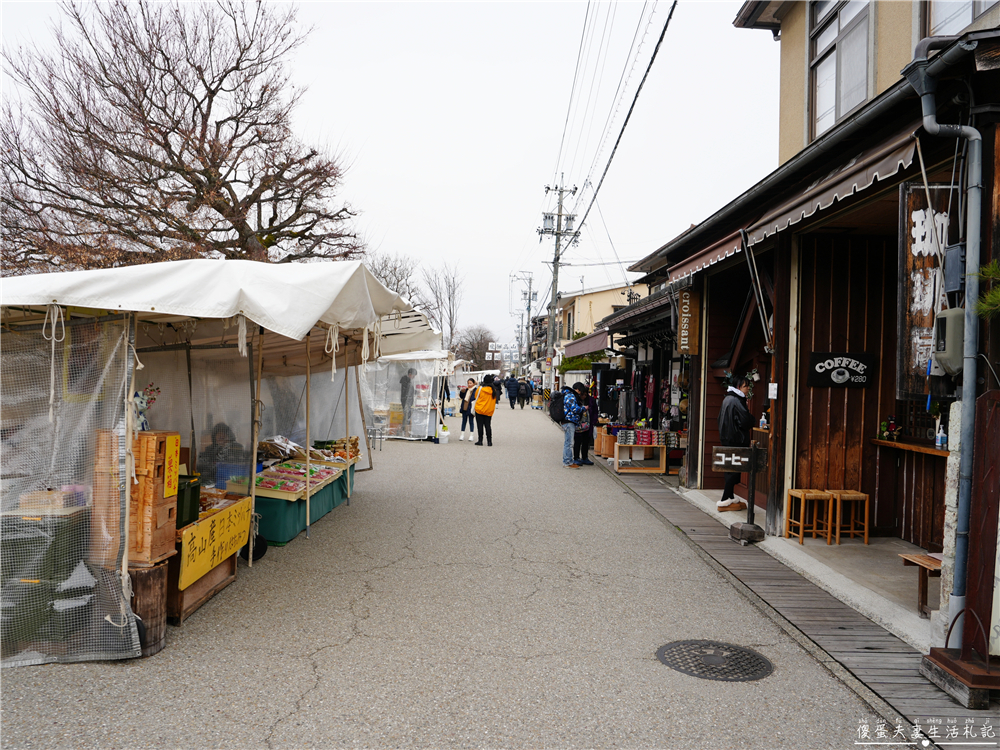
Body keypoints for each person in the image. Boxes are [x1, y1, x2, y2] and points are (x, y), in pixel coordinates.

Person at [717, 376, 752, 512]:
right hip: (737, 440)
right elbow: (745, 421)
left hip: (726, 439)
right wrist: (753, 419)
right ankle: (725, 498)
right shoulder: (738, 401)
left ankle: (729, 496)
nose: (748, 388)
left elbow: (719, 418)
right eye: (745, 386)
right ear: (738, 387)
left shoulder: (727, 399)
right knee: (734, 470)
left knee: (729, 468)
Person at [560, 382, 584, 468]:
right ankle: (567, 462)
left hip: (567, 421)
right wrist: (583, 408)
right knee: (569, 443)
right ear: (577, 389)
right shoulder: (571, 396)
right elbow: (574, 409)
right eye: (580, 391)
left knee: (568, 442)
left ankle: (568, 461)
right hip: (569, 421)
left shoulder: (567, 394)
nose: (580, 393)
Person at [573, 383, 597, 466]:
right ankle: (576, 457)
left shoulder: (591, 400)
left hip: (588, 424)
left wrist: (594, 421)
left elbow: (595, 411)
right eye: (582, 394)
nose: (583, 396)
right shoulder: (576, 399)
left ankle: (584, 457)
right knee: (577, 441)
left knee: (586, 442)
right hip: (578, 424)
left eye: (585, 395)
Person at [474, 374, 497, 446]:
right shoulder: (493, 390)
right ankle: (489, 441)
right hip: (489, 410)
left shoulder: (480, 389)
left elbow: (476, 397)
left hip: (479, 409)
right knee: (488, 425)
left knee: (479, 425)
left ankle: (480, 440)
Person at [400, 367, 416, 434]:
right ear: (410, 374)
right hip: (406, 401)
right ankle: (404, 430)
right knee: (406, 416)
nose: (414, 377)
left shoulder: (408, 381)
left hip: (408, 401)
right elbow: (407, 392)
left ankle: (405, 430)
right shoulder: (406, 381)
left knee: (407, 415)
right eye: (413, 375)